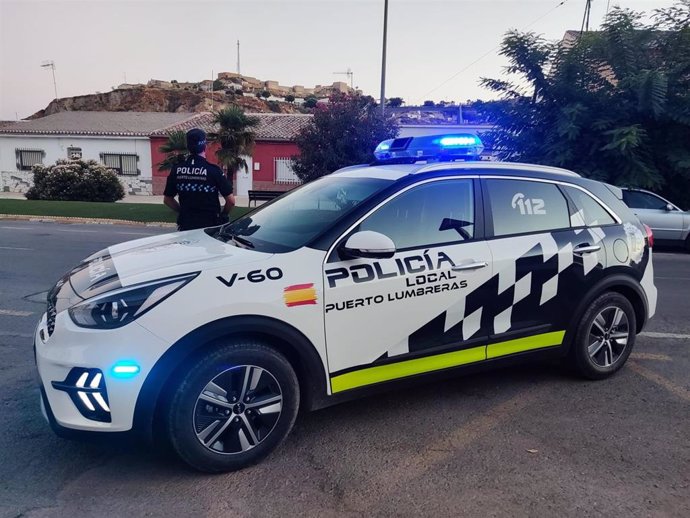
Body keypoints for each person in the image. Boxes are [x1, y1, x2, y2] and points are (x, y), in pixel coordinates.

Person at [163, 128, 235, 231]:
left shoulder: (176, 170)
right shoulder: (213, 170)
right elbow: (231, 201)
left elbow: (167, 199)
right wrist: (223, 215)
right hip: (210, 226)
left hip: (186, 225)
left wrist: (182, 211)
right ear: (204, 146)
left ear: (188, 146)